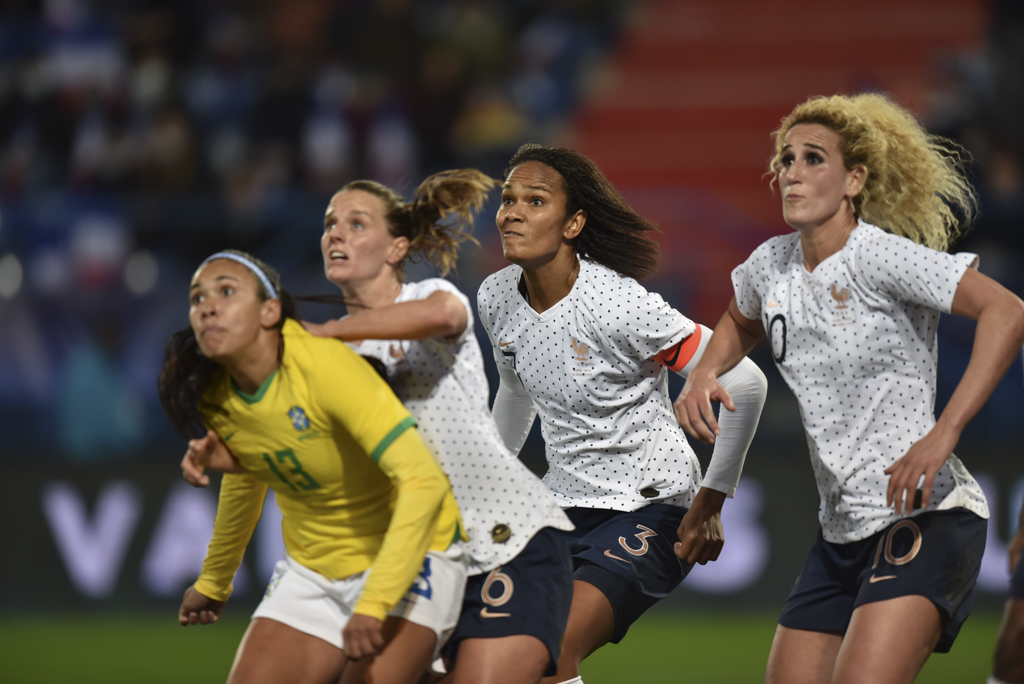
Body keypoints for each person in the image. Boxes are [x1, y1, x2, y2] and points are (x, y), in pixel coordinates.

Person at [674, 93, 1024, 684]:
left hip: (925, 515)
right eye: (787, 159)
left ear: (853, 180)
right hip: (840, 534)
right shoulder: (771, 266)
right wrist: (707, 369)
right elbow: (740, 318)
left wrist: (946, 431)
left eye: (814, 158)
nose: (792, 172)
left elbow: (1007, 312)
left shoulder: (880, 257)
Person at [476, 143, 769, 684]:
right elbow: (516, 392)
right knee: (494, 653)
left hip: (651, 506)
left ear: (573, 223)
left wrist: (709, 501)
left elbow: (746, 382)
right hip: (561, 506)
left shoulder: (618, 306)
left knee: (551, 648)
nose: (512, 211)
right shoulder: (496, 296)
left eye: (535, 200)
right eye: (508, 198)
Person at [302, 169, 576, 684]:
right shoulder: (323, 362)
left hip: (503, 540)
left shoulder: (427, 299)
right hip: (415, 562)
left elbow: (443, 313)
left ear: (395, 247)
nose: (335, 233)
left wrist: (326, 333)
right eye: (329, 223)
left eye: (356, 223)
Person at [159, 250, 467, 684]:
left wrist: (374, 600)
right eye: (197, 298)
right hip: (315, 570)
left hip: (415, 558)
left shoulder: (326, 368)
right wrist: (214, 579)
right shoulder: (218, 391)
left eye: (226, 291)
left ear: (270, 311)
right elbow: (248, 476)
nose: (207, 306)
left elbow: (424, 482)